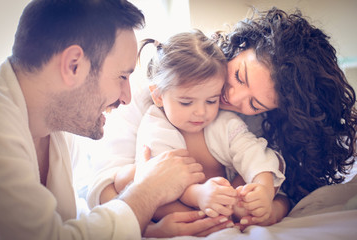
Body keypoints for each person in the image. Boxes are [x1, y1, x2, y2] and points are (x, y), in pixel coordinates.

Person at [87, 6, 357, 236]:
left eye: (255, 103)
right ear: (240, 47)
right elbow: (105, 189)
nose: (232, 96)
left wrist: (273, 207)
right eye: (239, 76)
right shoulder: (161, 90)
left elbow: (281, 181)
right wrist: (150, 228)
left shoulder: (255, 126)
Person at [0, 0, 233, 239]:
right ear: (73, 66)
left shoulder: (57, 132)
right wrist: (148, 190)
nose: (127, 97)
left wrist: (148, 229)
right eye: (122, 76)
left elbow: (67, 222)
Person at [136, 30, 284, 223]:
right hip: (181, 202)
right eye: (187, 102)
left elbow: (254, 154)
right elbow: (165, 182)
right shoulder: (156, 128)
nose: (201, 112)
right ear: (158, 96)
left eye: (211, 100)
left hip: (230, 195)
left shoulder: (225, 121)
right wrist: (199, 195)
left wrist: (262, 189)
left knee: (273, 190)